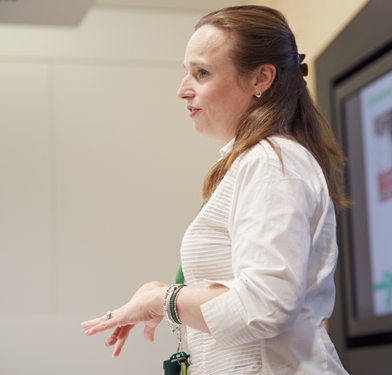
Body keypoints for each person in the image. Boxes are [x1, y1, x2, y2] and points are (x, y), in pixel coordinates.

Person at [81, 5, 351, 375]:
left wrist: (166, 301)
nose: (182, 90)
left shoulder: (271, 161)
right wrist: (167, 292)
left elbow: (265, 305)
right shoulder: (257, 160)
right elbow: (248, 292)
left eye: (201, 73)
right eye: (186, 73)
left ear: (261, 78)